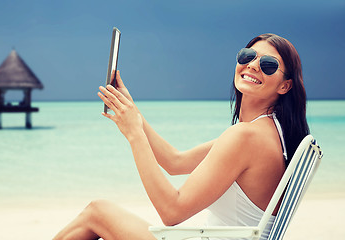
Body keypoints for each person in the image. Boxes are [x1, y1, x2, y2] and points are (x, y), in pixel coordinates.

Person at [52, 33, 309, 240]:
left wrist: (134, 134)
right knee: (98, 212)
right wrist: (133, 112)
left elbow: (171, 211)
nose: (253, 65)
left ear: (285, 85)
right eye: (248, 56)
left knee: (98, 212)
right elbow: (175, 162)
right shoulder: (267, 132)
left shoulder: (246, 136)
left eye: (268, 64)